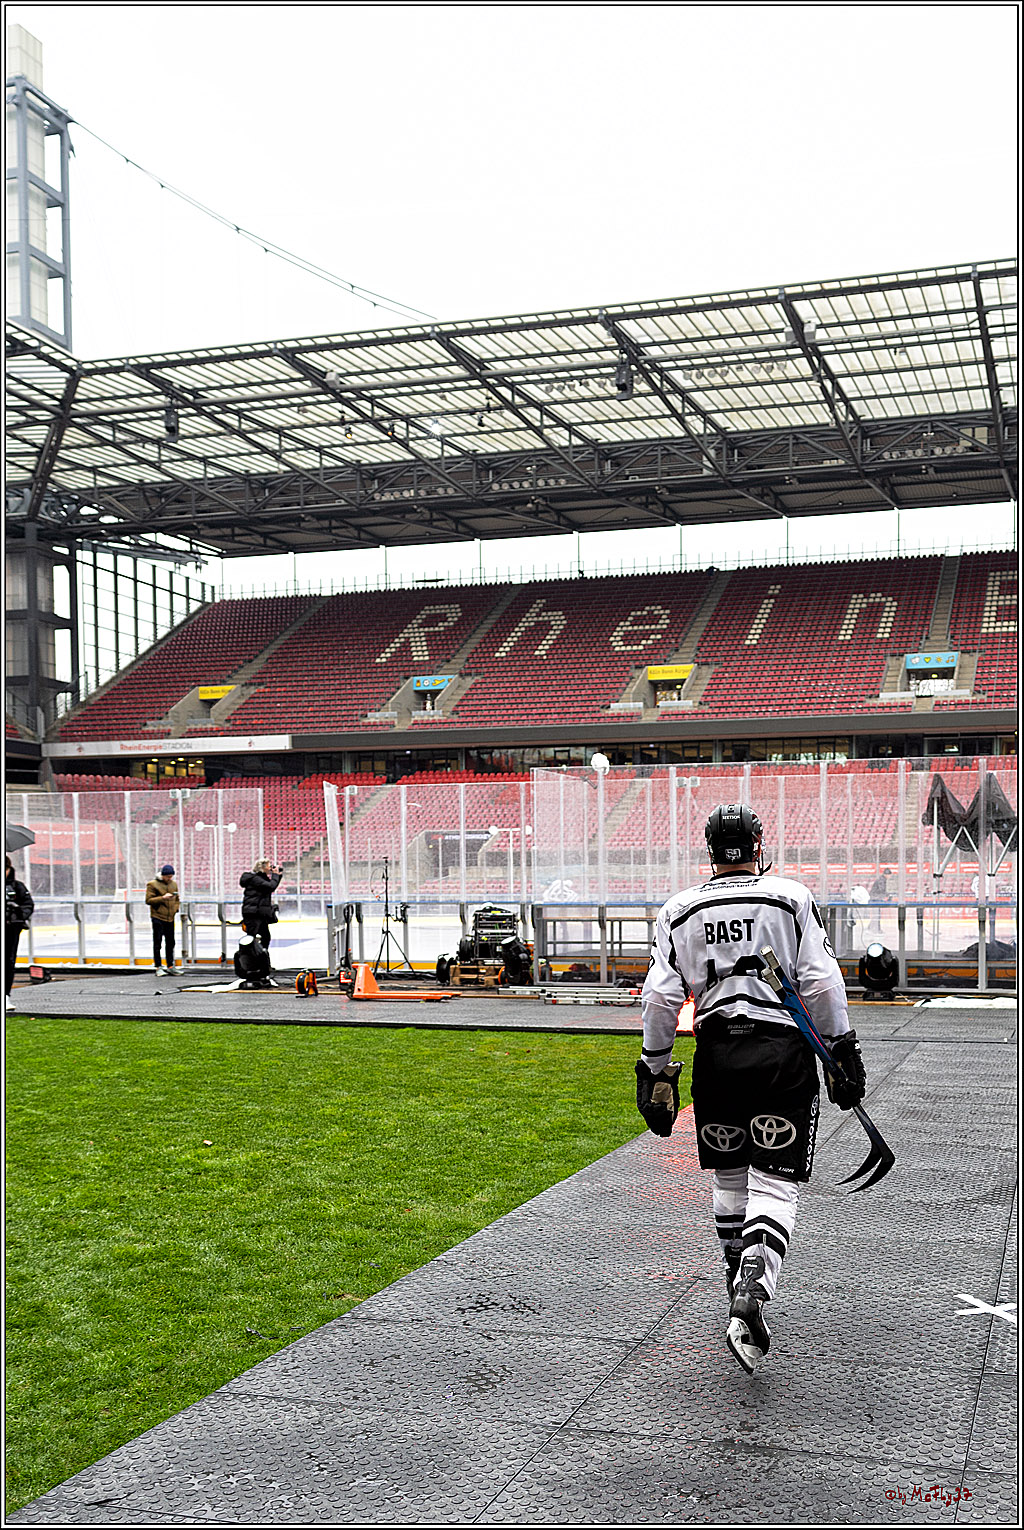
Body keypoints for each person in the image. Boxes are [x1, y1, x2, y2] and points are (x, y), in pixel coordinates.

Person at [636, 803, 866, 1375]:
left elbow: (661, 999)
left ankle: (735, 1286)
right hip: (782, 1055)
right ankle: (754, 1291)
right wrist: (841, 1048)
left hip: (716, 1054)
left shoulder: (678, 909)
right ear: (759, 845)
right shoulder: (789, 898)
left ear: (710, 849)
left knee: (732, 1176)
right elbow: (820, 980)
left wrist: (655, 1068)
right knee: (776, 1185)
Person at [5, 854, 34, 1009]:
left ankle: (5, 995)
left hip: (10, 930)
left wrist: (18, 914)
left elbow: (28, 904)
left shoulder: (17, 887)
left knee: (8, 963)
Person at [239, 859, 282, 951]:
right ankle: (249, 960)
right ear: (262, 867)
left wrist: (278, 875)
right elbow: (270, 886)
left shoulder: (261, 878)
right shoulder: (255, 879)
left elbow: (271, 885)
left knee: (265, 937)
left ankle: (261, 957)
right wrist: (275, 875)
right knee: (251, 937)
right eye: (268, 866)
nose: (271, 868)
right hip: (253, 912)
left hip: (259, 913)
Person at [145, 863, 180, 974]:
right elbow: (149, 900)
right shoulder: (152, 885)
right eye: (167, 876)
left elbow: (177, 899)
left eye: (171, 876)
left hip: (170, 917)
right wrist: (162, 898)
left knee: (170, 942)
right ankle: (158, 966)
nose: (169, 878)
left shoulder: (173, 884)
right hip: (158, 917)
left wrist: (175, 909)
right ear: (162, 875)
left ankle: (170, 965)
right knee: (158, 942)